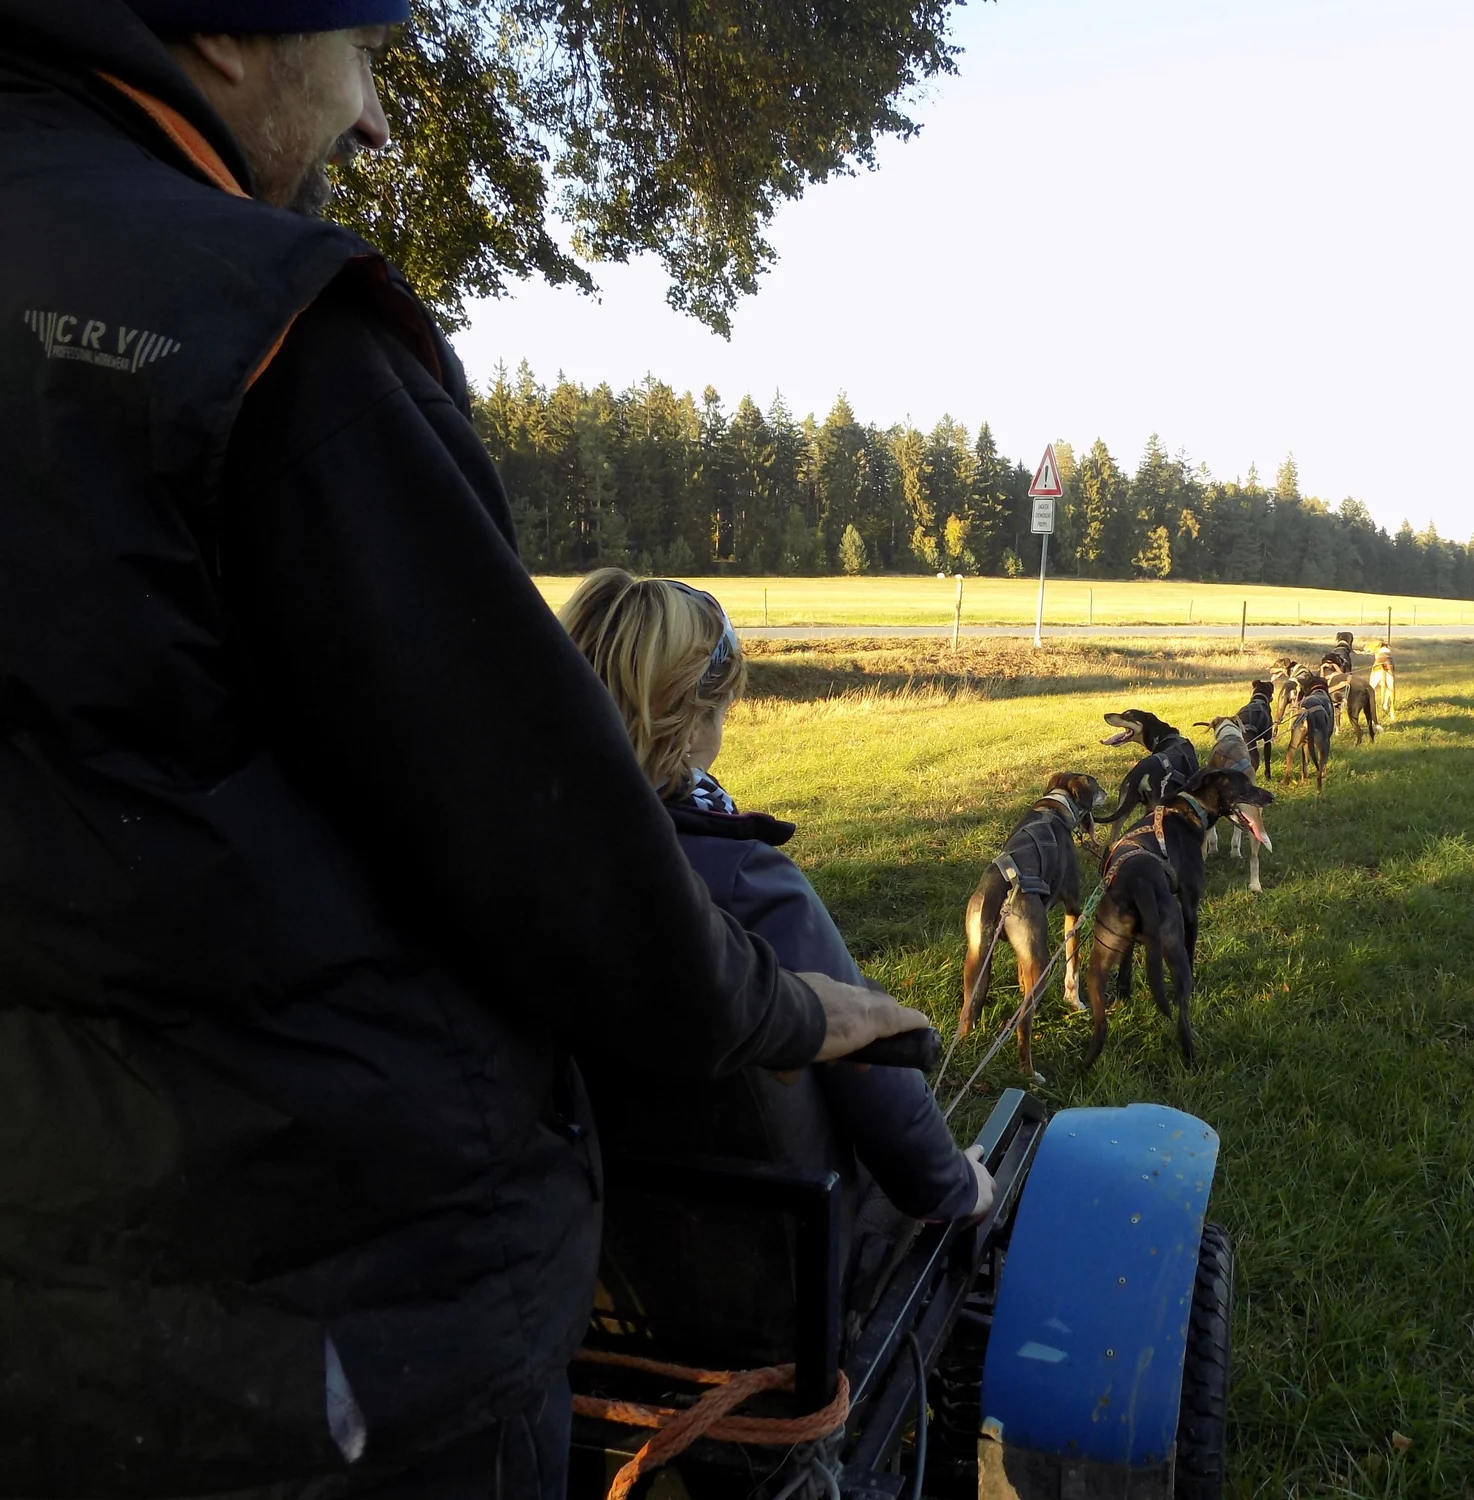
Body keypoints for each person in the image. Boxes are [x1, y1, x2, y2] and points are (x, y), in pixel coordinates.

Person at [0, 4, 925, 1497]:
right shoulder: (258, 328)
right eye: (364, 57)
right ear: (229, 33)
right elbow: (555, 853)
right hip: (334, 1335)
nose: (377, 125)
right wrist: (791, 1010)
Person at [560, 569, 995, 1225]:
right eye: (722, 709)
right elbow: (866, 1063)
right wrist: (955, 1186)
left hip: (591, 1233)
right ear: (691, 721)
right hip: (785, 1245)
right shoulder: (743, 880)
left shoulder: (528, 868)